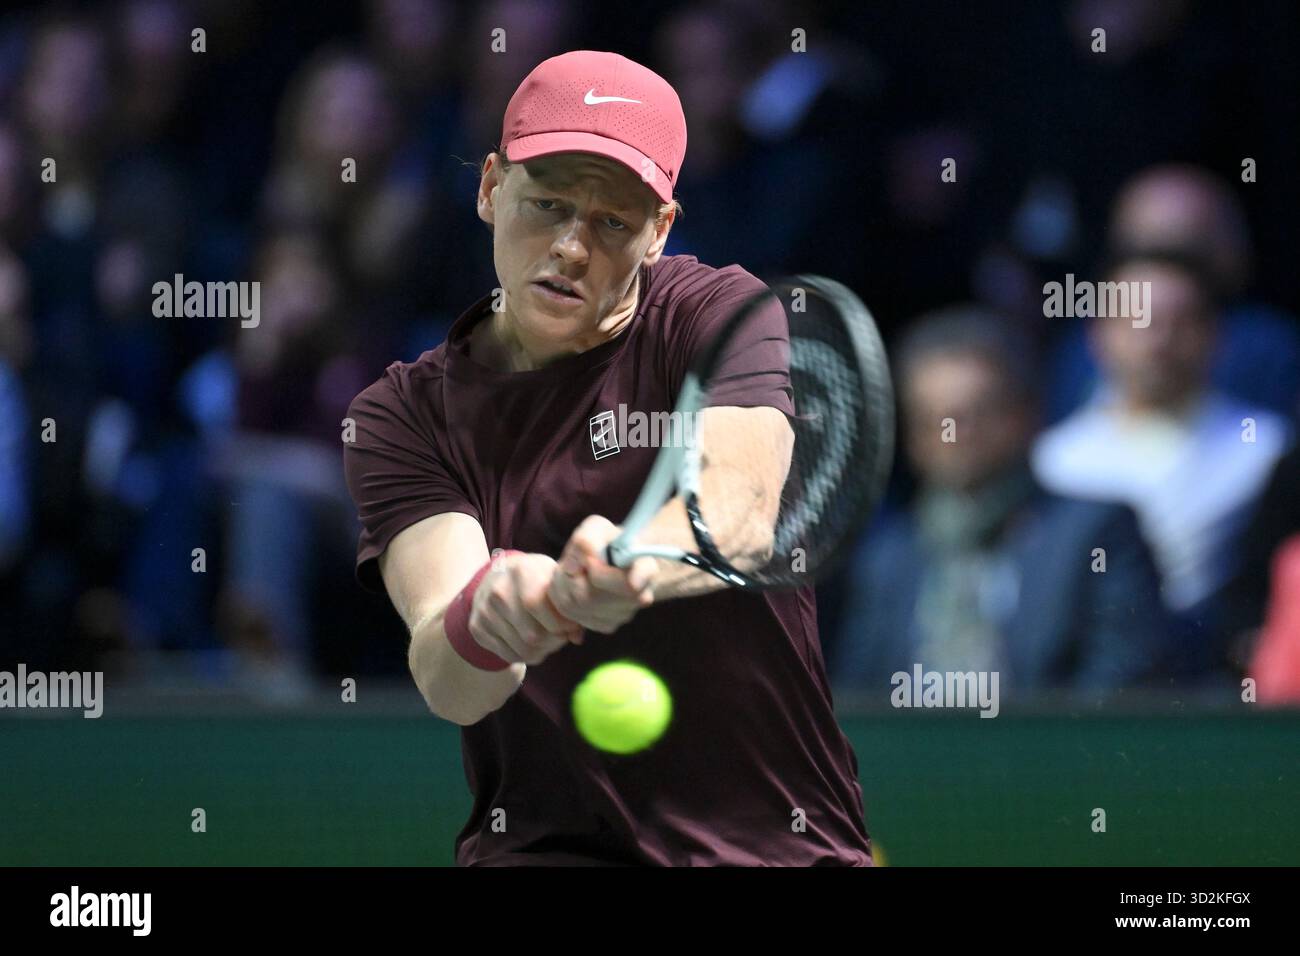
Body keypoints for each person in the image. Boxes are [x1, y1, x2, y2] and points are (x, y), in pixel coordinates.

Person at [343, 50, 871, 866]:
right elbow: (450, 680)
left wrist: (638, 563)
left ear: (661, 230)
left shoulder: (720, 315)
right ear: (489, 187)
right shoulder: (403, 416)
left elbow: (738, 512)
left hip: (773, 843)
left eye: (613, 222)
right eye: (546, 204)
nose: (570, 247)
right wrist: (488, 620)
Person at [834, 307, 1167, 697]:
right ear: (912, 437)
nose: (954, 436)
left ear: (1027, 413)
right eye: (934, 419)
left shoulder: (1095, 534)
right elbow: (857, 701)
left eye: (975, 415)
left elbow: (1118, 692)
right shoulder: (887, 557)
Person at [1032, 252, 1292, 680]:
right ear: (1098, 334)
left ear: (1216, 335)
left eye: (1182, 320)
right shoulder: (1052, 460)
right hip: (1084, 681)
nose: (1160, 339)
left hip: (1214, 681)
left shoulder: (1269, 450)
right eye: (1139, 319)